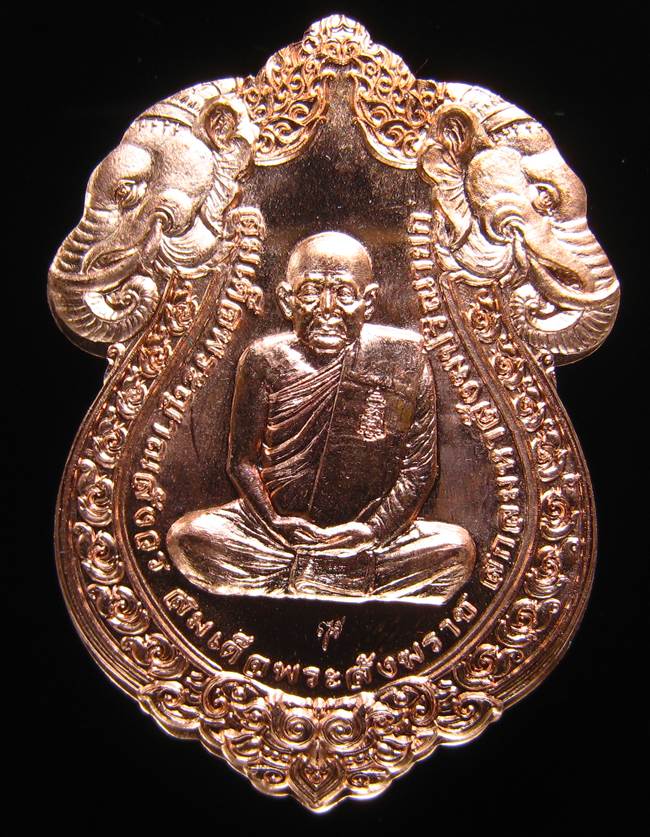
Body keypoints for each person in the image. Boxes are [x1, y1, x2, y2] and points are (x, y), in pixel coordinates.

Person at [167, 231, 475, 604]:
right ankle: (343, 577)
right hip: (275, 535)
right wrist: (274, 522)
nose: (327, 309)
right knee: (189, 538)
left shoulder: (403, 359)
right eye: (311, 292)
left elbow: (418, 470)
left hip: (369, 537)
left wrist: (374, 531)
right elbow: (241, 462)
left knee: (456, 550)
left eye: (344, 294)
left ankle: (310, 575)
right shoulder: (264, 359)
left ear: (368, 302)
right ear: (287, 300)